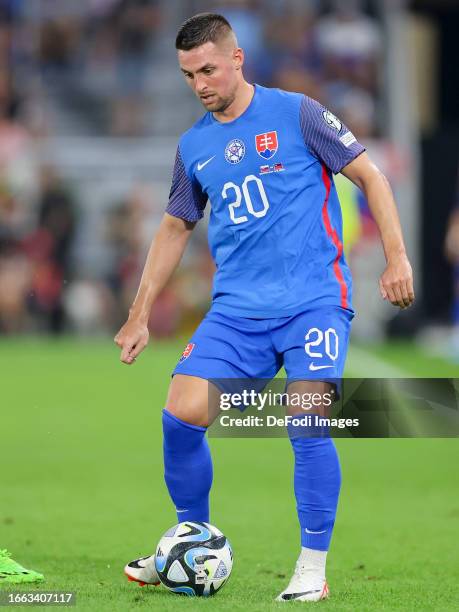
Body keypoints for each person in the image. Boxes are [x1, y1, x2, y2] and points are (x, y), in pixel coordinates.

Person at [115, 13, 414, 602]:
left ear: (237, 59)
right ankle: (188, 538)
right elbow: (175, 226)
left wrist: (397, 259)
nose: (200, 83)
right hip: (237, 311)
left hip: (313, 302)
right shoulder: (194, 145)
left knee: (306, 422)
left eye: (208, 69)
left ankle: (311, 565)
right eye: (188, 74)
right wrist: (140, 311)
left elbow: (371, 178)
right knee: (180, 415)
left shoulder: (298, 113)